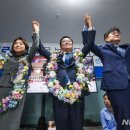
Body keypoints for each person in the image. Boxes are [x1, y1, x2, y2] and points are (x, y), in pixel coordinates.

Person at [36, 17, 95, 130]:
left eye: (69, 41)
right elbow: (40, 48)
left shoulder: (79, 55)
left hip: (78, 92)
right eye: (64, 41)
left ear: (72, 45)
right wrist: (36, 31)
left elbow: (90, 43)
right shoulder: (54, 57)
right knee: (61, 122)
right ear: (60, 45)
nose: (66, 42)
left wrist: (89, 26)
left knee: (77, 123)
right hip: (59, 94)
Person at [82, 14, 130, 130]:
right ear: (106, 38)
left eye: (118, 32)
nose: (116, 33)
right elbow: (88, 44)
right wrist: (88, 26)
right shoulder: (103, 49)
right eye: (113, 33)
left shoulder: (127, 48)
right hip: (116, 86)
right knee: (123, 116)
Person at [0, 21, 39, 130]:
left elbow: (35, 46)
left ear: (25, 47)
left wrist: (36, 31)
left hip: (17, 91)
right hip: (1, 88)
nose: (18, 45)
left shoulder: (27, 58)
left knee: (13, 118)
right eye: (16, 43)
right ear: (12, 46)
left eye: (21, 43)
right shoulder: (5, 57)